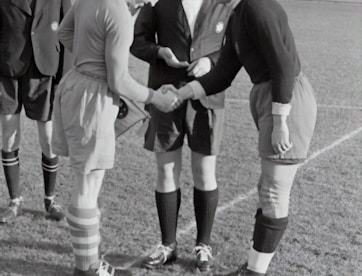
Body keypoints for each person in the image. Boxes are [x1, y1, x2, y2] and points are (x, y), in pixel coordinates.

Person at [175, 0, 318, 275]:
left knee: (274, 190)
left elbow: (284, 65)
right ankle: (252, 267)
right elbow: (223, 73)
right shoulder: (239, 13)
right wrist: (182, 93)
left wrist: (280, 121)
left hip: (286, 101)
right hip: (271, 98)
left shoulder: (256, 7)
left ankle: (255, 271)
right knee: (267, 188)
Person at [52, 0, 180, 275]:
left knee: (85, 182)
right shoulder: (119, 12)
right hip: (93, 99)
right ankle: (87, 269)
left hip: (75, 86)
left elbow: (64, 31)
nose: (146, 2)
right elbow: (118, 81)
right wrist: (157, 98)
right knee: (87, 186)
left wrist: (91, 58)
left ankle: (89, 263)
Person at [130, 0, 238, 272]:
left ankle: (203, 245)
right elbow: (137, 42)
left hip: (207, 96)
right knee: (166, 171)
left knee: (205, 173)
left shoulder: (224, 3)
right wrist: (160, 52)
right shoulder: (156, 2)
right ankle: (168, 246)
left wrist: (210, 62)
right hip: (165, 94)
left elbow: (236, 46)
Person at [0, 0, 71, 224]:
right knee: (10, 136)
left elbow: (67, 28)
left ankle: (50, 200)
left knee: (48, 139)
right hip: (7, 67)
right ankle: (15, 201)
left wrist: (65, 75)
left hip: (44, 69)